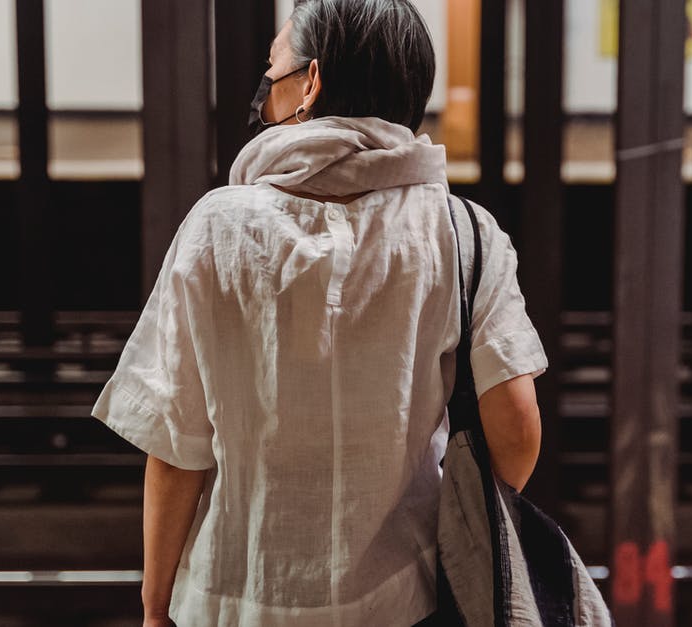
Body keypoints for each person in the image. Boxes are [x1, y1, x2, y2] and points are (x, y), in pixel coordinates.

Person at [90, 1, 548, 625]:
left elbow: (176, 449)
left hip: (235, 597)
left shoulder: (217, 227)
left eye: (272, 74)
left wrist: (154, 606)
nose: (265, 96)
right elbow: (517, 434)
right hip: (405, 598)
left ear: (311, 83)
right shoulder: (464, 233)